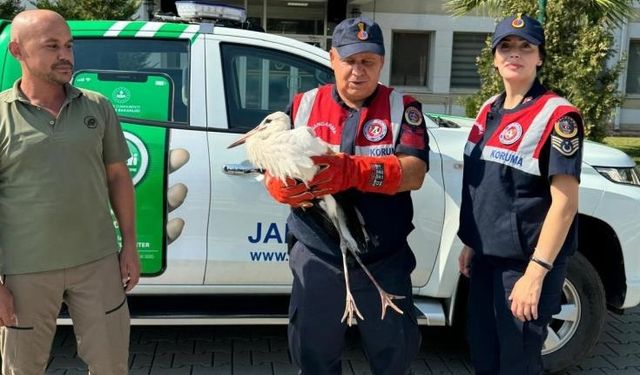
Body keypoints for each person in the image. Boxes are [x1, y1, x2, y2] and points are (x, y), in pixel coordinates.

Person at [265, 16, 429, 375]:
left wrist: (354, 170)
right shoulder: (304, 105)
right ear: (332, 58)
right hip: (318, 255)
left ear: (381, 62)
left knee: (394, 358)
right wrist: (277, 184)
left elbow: (415, 173)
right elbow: (275, 162)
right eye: (350, 61)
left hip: (383, 259)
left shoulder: (404, 109)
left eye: (368, 62)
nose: (358, 71)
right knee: (314, 358)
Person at [0, 10, 139, 374]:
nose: (66, 55)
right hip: (25, 271)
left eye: (68, 45)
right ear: (18, 51)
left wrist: (128, 245)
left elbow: (118, 178)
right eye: (52, 46)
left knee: (111, 364)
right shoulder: (1, 114)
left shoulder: (96, 106)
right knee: (22, 368)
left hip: (97, 263)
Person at [457, 14, 584, 375]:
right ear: (495, 57)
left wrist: (536, 273)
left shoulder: (558, 116)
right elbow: (488, 189)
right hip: (485, 261)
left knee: (517, 364)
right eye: (506, 47)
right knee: (484, 357)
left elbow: (565, 203)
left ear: (539, 57)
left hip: (525, 266)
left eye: (525, 47)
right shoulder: (489, 110)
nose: (515, 54)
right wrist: (472, 243)